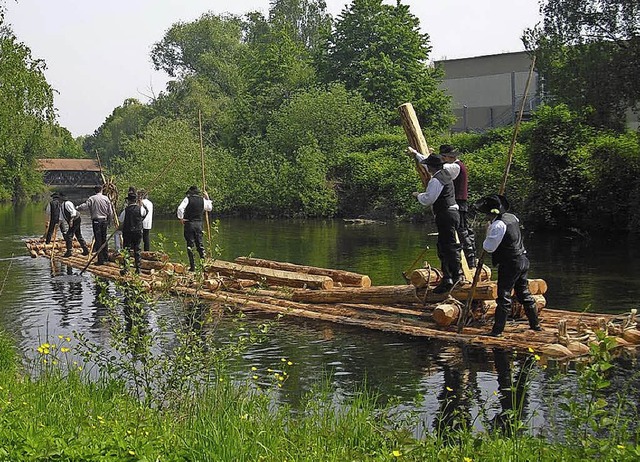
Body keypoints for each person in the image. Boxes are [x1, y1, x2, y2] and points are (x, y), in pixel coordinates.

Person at [474, 194, 542, 336]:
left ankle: (497, 331)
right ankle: (535, 325)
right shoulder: (512, 218)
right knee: (524, 293)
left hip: (510, 263)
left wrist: (488, 231)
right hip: (523, 259)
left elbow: (489, 247)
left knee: (503, 296)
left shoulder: (498, 225)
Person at [411, 154, 462, 294]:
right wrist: (416, 154)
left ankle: (454, 277)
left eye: (428, 166)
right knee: (445, 246)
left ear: (432, 167)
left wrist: (418, 195)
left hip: (445, 214)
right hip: (452, 214)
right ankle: (449, 277)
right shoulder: (446, 173)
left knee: (447, 247)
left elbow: (428, 199)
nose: (427, 168)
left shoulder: (436, 180)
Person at [440, 144, 477, 269]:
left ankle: (470, 260)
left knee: (462, 230)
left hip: (459, 202)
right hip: (460, 202)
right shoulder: (457, 165)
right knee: (464, 230)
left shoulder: (455, 166)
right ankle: (469, 259)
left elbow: (441, 168)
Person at [177, 185, 213, 272]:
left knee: (190, 245)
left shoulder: (187, 199)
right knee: (200, 244)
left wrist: (181, 218)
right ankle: (204, 265)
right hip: (199, 224)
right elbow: (209, 208)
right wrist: (207, 198)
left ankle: (193, 267)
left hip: (189, 223)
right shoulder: (202, 200)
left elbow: (180, 208)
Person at [77, 185, 114, 265]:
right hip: (104, 220)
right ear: (101, 190)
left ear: (95, 191)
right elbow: (110, 212)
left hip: (96, 221)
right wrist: (109, 221)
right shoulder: (106, 198)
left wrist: (77, 208)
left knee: (98, 240)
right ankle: (106, 257)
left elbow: (85, 206)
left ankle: (100, 260)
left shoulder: (92, 198)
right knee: (104, 239)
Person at [118, 191, 148, 274]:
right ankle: (138, 269)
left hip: (127, 232)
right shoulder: (140, 209)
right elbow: (145, 213)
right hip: (137, 231)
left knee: (126, 250)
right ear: (136, 200)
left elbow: (121, 220)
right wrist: (142, 204)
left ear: (129, 201)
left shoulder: (125, 210)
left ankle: (126, 268)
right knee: (137, 250)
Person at [58, 192, 90, 257]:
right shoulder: (62, 205)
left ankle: (69, 252)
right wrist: (58, 224)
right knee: (78, 235)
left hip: (75, 219)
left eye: (59, 198)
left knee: (69, 236)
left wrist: (71, 221)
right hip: (73, 220)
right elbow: (61, 216)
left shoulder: (67, 203)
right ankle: (85, 250)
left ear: (62, 198)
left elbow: (73, 212)